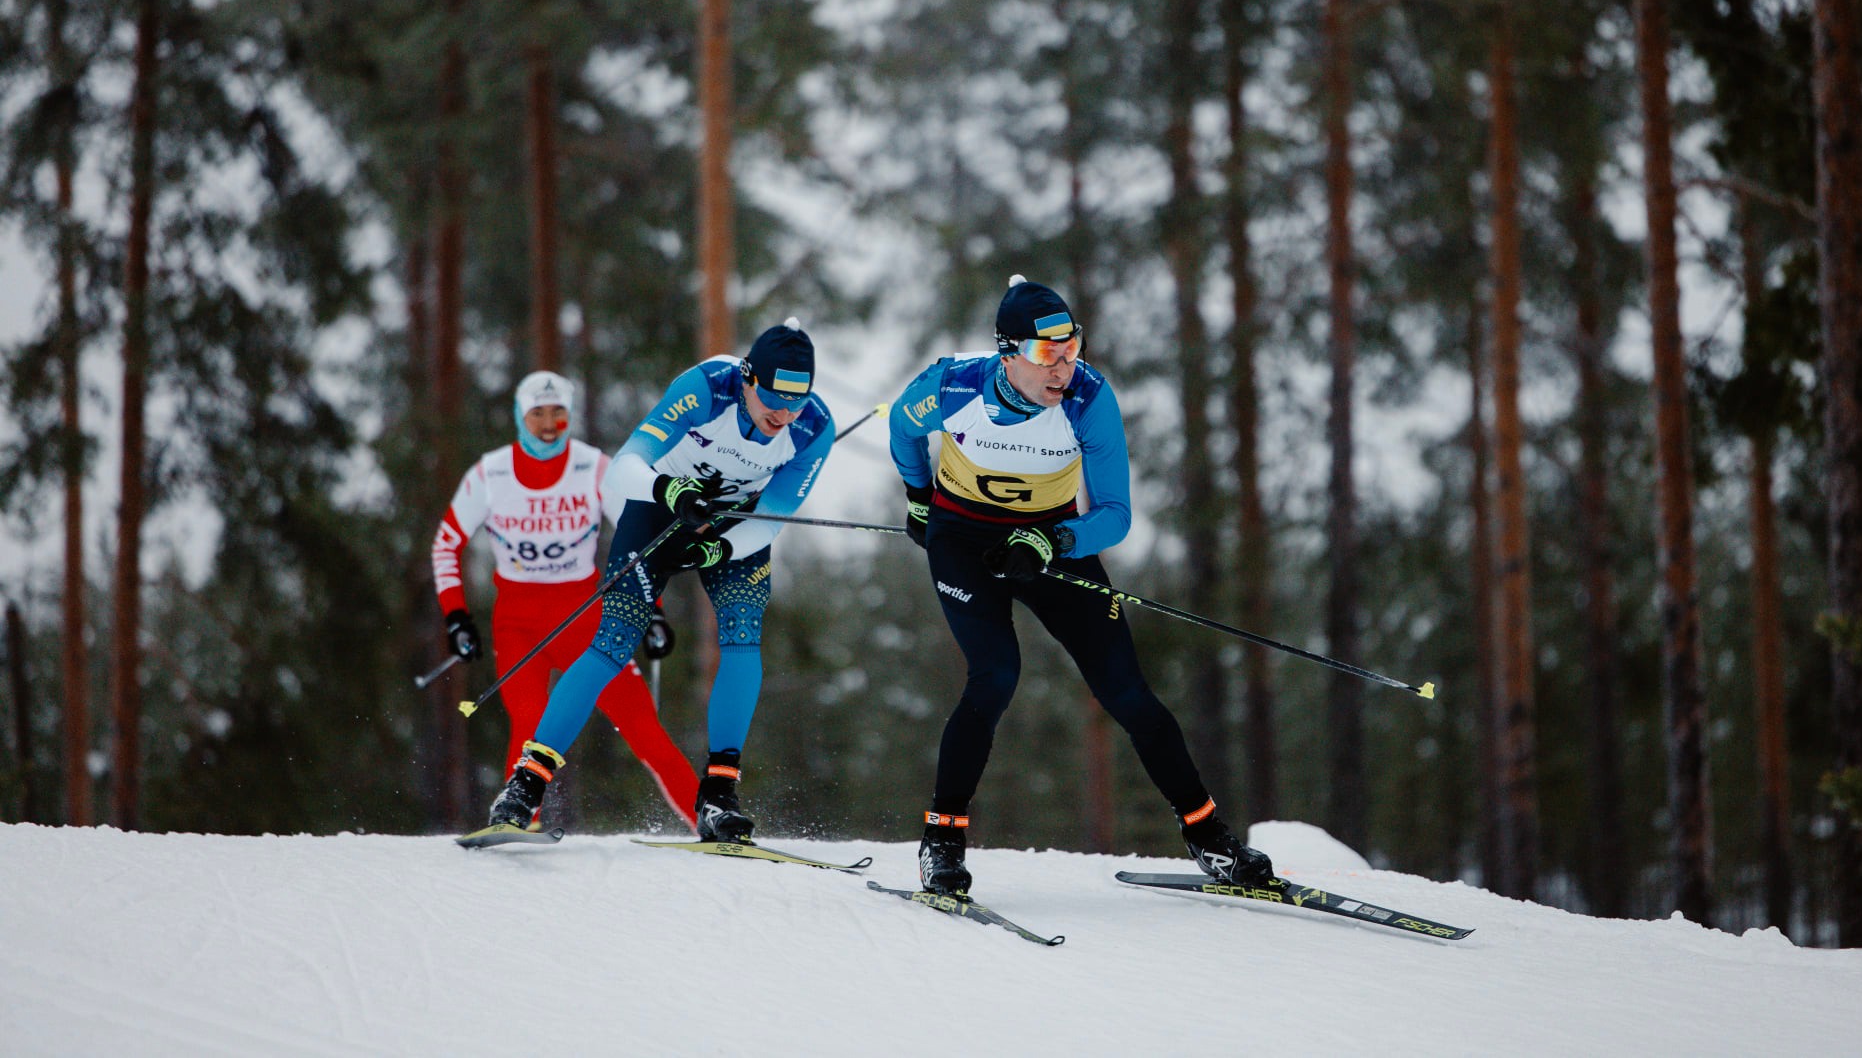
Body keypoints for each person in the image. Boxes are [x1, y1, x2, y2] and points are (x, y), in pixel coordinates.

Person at [888, 275, 1274, 895]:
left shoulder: (1089, 400)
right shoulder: (949, 385)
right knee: (995, 677)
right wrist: (917, 498)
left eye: (1072, 347)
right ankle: (942, 841)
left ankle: (1210, 840)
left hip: (1050, 542)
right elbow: (903, 432)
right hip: (963, 542)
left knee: (1127, 691)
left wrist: (1052, 543)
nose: (1063, 366)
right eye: (1046, 354)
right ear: (1007, 351)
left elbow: (1116, 515)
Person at [477, 320, 836, 842]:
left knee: (742, 636)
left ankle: (718, 798)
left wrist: (721, 545)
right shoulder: (706, 389)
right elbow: (624, 467)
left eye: (796, 402)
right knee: (611, 644)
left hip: (735, 530)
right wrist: (670, 490)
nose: (784, 415)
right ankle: (526, 787)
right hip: (655, 510)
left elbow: (775, 515)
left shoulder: (813, 427)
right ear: (749, 379)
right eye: (775, 399)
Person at [435, 370, 701, 826]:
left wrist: (653, 614)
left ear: (569, 416)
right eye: (537, 413)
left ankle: (709, 819)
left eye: (558, 412)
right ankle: (516, 821)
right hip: (519, 626)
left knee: (644, 728)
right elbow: (447, 543)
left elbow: (640, 539)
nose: (548, 423)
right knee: (531, 723)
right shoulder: (491, 473)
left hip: (587, 618)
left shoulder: (595, 466)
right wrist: (457, 617)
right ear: (521, 417)